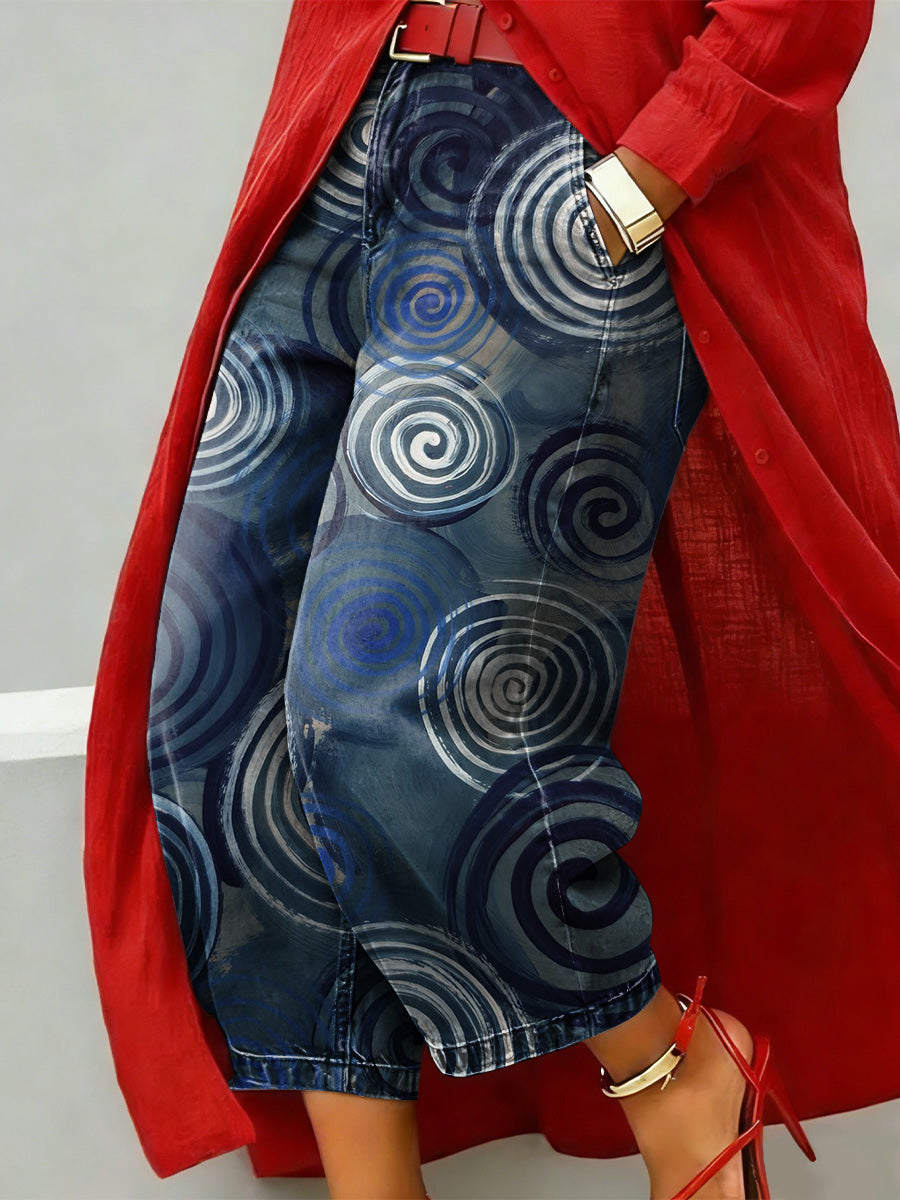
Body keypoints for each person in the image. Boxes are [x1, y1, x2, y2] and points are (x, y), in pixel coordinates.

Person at [84, 2, 900, 1198]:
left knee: (392, 697)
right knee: (224, 707)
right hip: (344, 119)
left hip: (552, 149)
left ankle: (672, 1073)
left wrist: (652, 169)